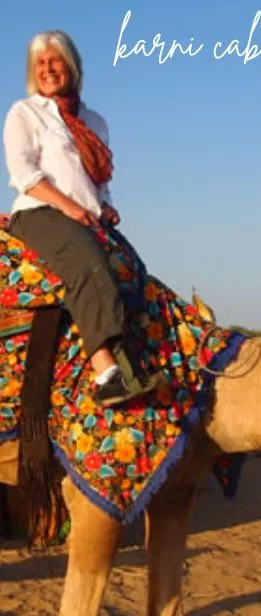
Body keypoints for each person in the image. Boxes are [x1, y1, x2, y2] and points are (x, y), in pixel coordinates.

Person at [2, 30, 158, 407]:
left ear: (71, 65)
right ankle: (107, 372)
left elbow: (98, 180)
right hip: (40, 212)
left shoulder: (94, 121)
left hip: (86, 217)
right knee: (88, 264)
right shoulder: (25, 113)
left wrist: (104, 205)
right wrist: (69, 206)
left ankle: (144, 360)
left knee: (134, 272)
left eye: (55, 60)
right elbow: (23, 172)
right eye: (40, 63)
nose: (48, 69)